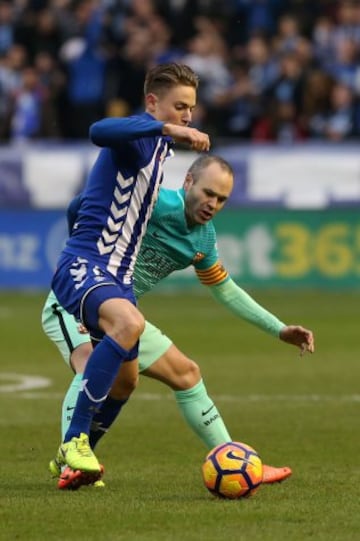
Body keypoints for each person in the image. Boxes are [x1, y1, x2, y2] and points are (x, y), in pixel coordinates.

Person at [43, 154, 315, 489]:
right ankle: (73, 455)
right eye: (208, 193)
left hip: (122, 315)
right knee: (89, 365)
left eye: (222, 199)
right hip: (73, 301)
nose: (213, 204)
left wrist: (279, 328)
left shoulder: (202, 240)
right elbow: (79, 205)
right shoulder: (151, 202)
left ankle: (235, 459)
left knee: (185, 374)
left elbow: (225, 291)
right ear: (188, 182)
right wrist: (82, 266)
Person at [49, 62, 211, 484]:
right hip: (88, 267)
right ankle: (74, 440)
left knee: (126, 383)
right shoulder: (140, 139)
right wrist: (166, 129)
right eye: (179, 107)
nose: (187, 116)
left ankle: (73, 464)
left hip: (116, 279)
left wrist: (84, 222)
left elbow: (77, 205)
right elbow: (99, 130)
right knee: (129, 322)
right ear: (153, 102)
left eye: (191, 108)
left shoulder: (155, 155)